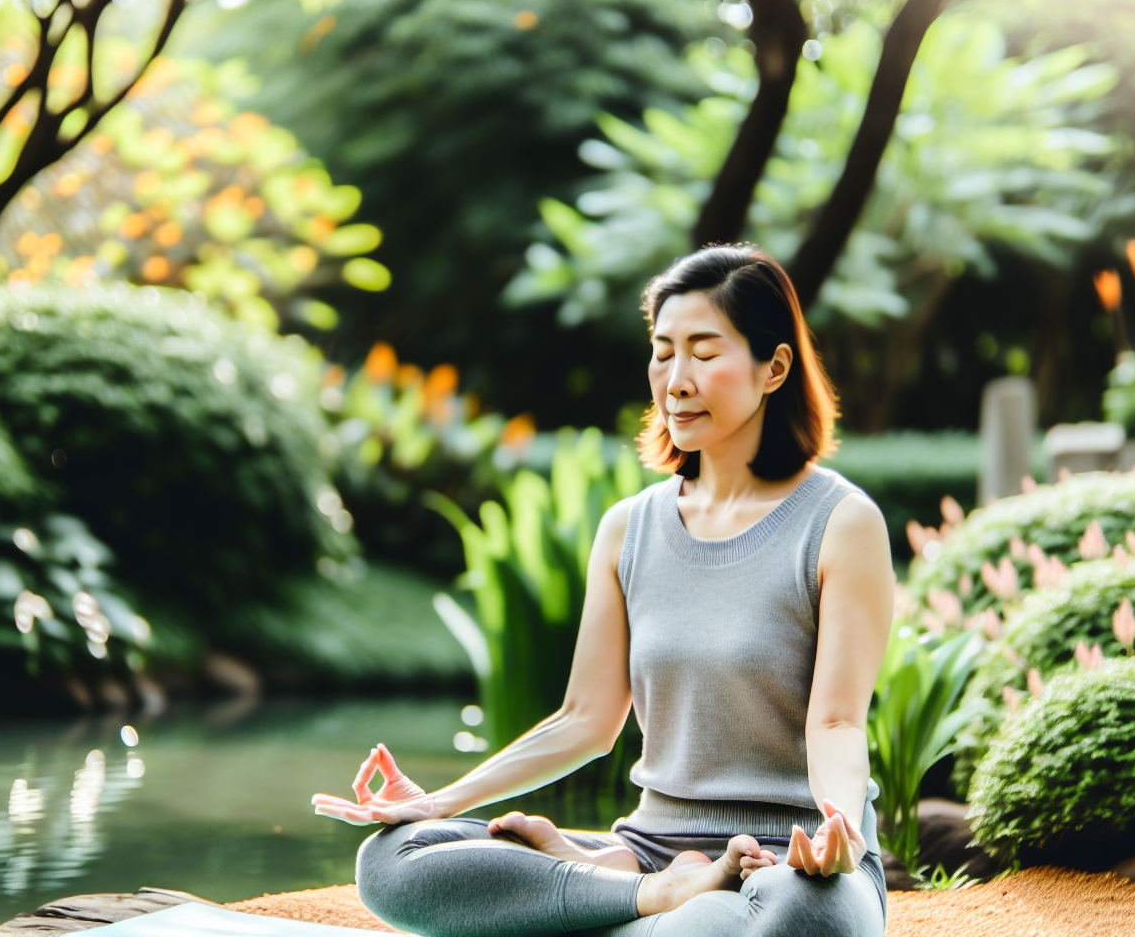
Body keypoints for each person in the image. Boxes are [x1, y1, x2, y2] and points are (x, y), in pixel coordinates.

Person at [313, 245, 894, 937]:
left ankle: (610, 900)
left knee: (805, 916)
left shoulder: (840, 523)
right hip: (657, 854)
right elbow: (586, 718)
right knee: (395, 859)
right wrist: (439, 802)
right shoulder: (631, 528)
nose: (675, 380)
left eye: (704, 353)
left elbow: (835, 723)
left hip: (793, 864)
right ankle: (649, 898)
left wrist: (838, 829)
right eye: (663, 351)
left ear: (774, 368)